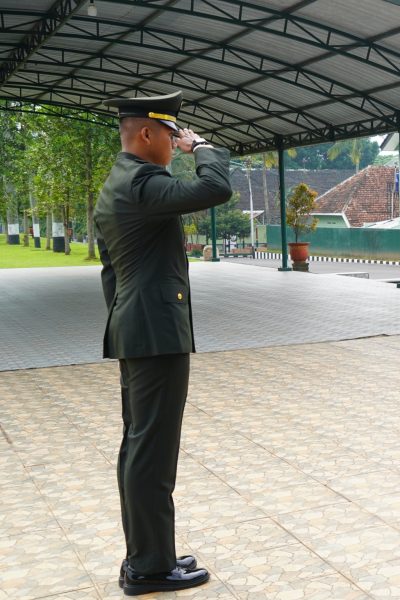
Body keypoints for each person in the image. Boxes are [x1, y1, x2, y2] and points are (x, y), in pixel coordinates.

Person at [94, 90, 232, 595]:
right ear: (148, 133)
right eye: (173, 135)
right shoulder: (142, 182)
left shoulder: (118, 182)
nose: (177, 144)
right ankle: (149, 568)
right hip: (155, 334)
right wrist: (204, 148)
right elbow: (216, 188)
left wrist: (127, 319)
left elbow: (111, 273)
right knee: (152, 452)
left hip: (137, 330)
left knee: (139, 446)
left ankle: (148, 555)